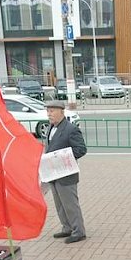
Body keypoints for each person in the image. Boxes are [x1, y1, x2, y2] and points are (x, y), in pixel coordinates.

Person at [44, 100, 87, 243]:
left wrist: (62, 159)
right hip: (53, 174)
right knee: (60, 204)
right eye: (48, 111)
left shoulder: (70, 129)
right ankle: (67, 227)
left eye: (52, 111)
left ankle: (78, 231)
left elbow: (81, 149)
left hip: (66, 174)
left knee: (70, 204)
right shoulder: (50, 127)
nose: (49, 114)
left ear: (61, 112)